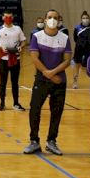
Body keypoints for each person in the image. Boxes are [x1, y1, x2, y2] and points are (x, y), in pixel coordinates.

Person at [23, 10, 72, 156]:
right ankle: (34, 141)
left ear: (59, 20)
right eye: (50, 17)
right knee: (35, 109)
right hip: (42, 79)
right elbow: (34, 58)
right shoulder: (37, 36)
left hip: (59, 80)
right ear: (45, 20)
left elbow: (67, 60)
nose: (52, 20)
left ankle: (51, 141)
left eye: (55, 18)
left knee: (56, 112)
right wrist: (47, 73)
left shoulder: (64, 38)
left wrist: (53, 73)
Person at [0, 10, 26, 112]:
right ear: (2, 18)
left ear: (13, 18)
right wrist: (1, 47)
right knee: (3, 82)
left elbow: (24, 41)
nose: (8, 19)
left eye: (10, 17)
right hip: (4, 60)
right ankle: (2, 103)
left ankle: (16, 103)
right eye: (6, 17)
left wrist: (20, 47)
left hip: (15, 59)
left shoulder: (18, 29)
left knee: (15, 82)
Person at [72, 11, 90, 90]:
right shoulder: (77, 28)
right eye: (83, 18)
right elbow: (75, 38)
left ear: (89, 19)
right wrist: (81, 44)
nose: (85, 19)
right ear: (81, 19)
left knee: (89, 66)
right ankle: (75, 82)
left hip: (89, 49)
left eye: (87, 18)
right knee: (77, 65)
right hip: (79, 49)